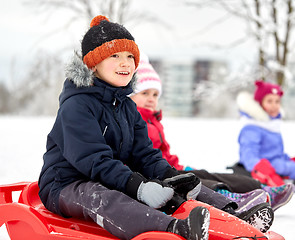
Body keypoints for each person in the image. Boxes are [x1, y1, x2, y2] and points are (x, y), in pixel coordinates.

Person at [38, 15, 274, 240]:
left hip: (109, 177)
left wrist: (172, 177)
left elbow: (145, 155)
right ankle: (175, 229)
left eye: (130, 56)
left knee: (176, 184)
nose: (125, 63)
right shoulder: (76, 106)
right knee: (102, 197)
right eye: (115, 56)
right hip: (67, 184)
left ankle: (232, 213)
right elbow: (94, 160)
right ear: (93, 63)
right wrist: (137, 186)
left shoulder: (126, 107)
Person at [130, 53, 295, 212]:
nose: (151, 98)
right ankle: (231, 199)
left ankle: (261, 189)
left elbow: (164, 154)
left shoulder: (153, 121)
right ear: (131, 95)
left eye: (155, 94)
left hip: (168, 168)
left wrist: (180, 166)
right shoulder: (133, 121)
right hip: (154, 175)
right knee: (197, 181)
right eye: (145, 93)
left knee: (206, 174)